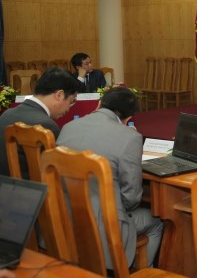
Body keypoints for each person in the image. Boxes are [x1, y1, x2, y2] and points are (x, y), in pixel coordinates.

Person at [56, 86, 162, 269]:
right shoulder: (129, 137)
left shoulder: (67, 127)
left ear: (99, 104)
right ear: (128, 118)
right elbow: (131, 199)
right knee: (157, 222)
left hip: (63, 216)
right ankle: (142, 272)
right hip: (104, 227)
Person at [0, 67, 79, 178]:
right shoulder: (45, 125)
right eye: (71, 101)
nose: (69, 109)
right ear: (59, 95)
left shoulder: (7, 114)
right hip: (33, 192)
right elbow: (54, 173)